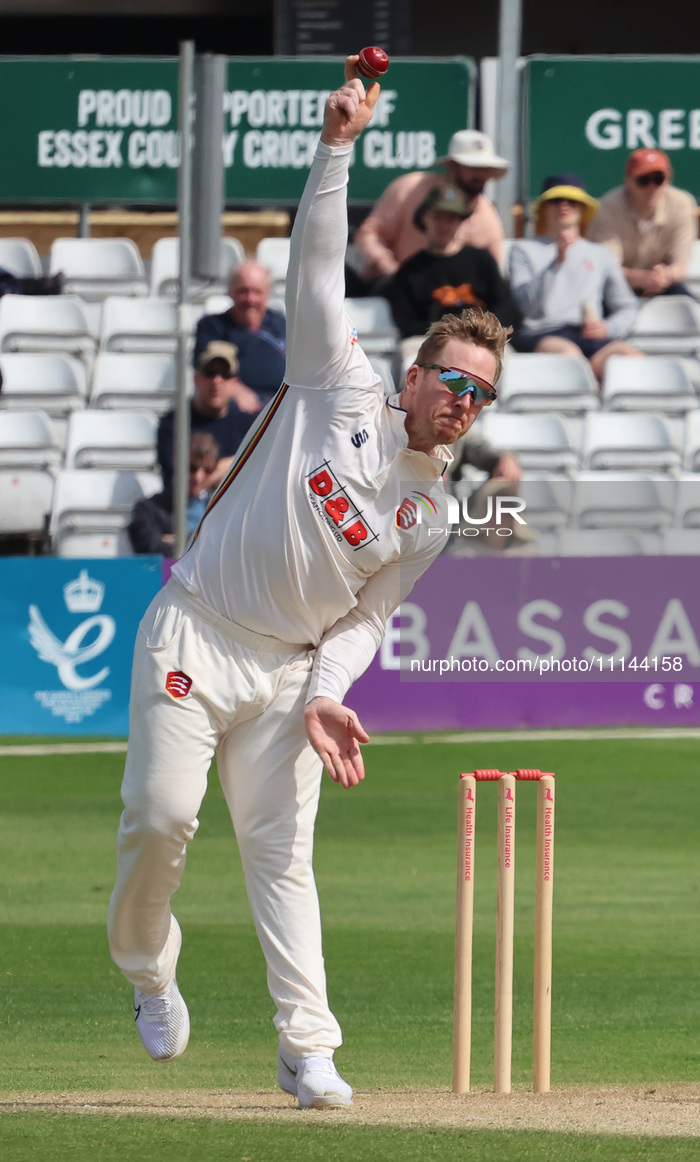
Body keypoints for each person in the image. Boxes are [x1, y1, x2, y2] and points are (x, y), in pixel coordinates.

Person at [107, 56, 510, 1111]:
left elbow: (365, 618)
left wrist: (333, 688)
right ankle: (150, 969)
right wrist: (337, 146)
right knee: (158, 823)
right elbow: (318, 270)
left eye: (483, 394)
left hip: (289, 674)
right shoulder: (338, 383)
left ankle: (306, 1045)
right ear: (417, 374)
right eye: (454, 380)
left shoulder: (429, 513)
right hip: (196, 631)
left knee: (282, 861)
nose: (465, 401)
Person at [509, 174, 642, 381]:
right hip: (544, 333)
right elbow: (525, 307)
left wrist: (607, 327)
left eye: (572, 201)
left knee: (631, 358)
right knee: (569, 358)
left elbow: (628, 306)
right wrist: (556, 263)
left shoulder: (600, 253)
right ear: (544, 208)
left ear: (582, 209)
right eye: (555, 200)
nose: (564, 206)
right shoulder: (523, 250)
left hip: (589, 336)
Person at [354, 129, 509, 284]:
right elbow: (369, 234)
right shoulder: (408, 189)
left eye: (486, 168)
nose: (480, 176)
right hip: (396, 289)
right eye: (473, 167)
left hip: (455, 298)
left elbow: (492, 276)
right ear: (453, 166)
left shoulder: (488, 216)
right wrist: (388, 267)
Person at [384, 185, 518, 339]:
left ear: (460, 221)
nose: (444, 225)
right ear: (424, 217)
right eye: (438, 216)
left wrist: (476, 330)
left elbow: (504, 308)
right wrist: (446, 332)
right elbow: (406, 322)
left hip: (479, 340)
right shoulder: (410, 271)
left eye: (451, 218)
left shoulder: (482, 261)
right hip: (431, 342)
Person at [587, 148, 698, 298]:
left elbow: (680, 264)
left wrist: (665, 275)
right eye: (643, 180)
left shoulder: (681, 204)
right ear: (628, 180)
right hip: (617, 284)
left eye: (658, 179)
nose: (651, 187)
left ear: (668, 179)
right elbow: (607, 268)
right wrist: (643, 279)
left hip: (663, 282)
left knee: (690, 307)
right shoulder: (608, 208)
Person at [157, 341, 257, 492]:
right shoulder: (174, 423)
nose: (216, 381)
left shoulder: (249, 425)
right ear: (196, 378)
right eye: (209, 372)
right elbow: (184, 479)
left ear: (235, 384)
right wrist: (237, 463)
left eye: (225, 374)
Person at [194, 260, 286, 407]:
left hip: (281, 406)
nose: (250, 299)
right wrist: (235, 391)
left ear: (267, 295)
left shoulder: (282, 325)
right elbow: (206, 371)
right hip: (237, 408)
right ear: (231, 293)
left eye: (257, 292)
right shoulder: (213, 327)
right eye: (243, 291)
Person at [128, 433, 220, 556]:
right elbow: (149, 547)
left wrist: (181, 541)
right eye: (192, 468)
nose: (198, 477)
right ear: (177, 463)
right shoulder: (148, 509)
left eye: (207, 470)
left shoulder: (220, 508)